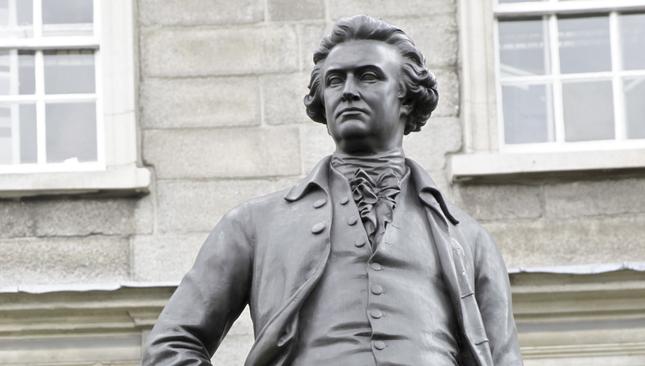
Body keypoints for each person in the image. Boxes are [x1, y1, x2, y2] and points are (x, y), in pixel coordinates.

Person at [143, 15, 522, 366]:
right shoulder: (253, 224)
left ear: (407, 97)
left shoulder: (469, 240)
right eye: (335, 80)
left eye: (369, 76)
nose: (348, 91)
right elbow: (173, 344)